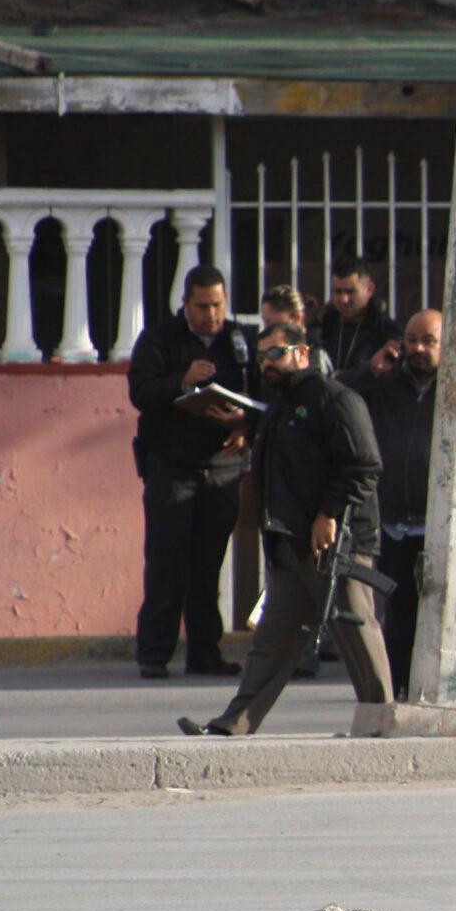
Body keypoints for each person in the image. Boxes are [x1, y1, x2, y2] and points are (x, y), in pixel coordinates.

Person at [177, 321, 394, 736]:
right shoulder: (278, 406)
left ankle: (383, 722)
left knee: (355, 630)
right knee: (272, 642)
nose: (268, 363)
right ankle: (234, 723)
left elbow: (364, 466)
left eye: (276, 353)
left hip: (335, 543)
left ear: (302, 353)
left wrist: (328, 514)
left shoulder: (335, 400)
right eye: (262, 357)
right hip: (289, 544)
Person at [353, 309, 456, 702]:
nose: (418, 349)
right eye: (411, 340)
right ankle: (400, 693)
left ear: (448, 344)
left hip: (453, 525)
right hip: (396, 525)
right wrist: (371, 370)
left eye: (428, 341)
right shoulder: (384, 385)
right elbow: (340, 395)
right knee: (399, 617)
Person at [127, 265, 256, 679]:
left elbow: (260, 395)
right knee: (167, 563)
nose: (211, 315)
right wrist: (181, 381)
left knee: (208, 565)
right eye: (202, 306)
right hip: (172, 468)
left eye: (217, 305)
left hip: (222, 468)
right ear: (185, 303)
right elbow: (141, 392)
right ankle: (154, 653)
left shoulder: (239, 340)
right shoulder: (159, 338)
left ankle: (205, 653)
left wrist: (245, 426)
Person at [313, 255, 401, 378]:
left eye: (350, 292)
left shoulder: (387, 332)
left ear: (369, 289)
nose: (343, 299)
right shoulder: (320, 327)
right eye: (338, 292)